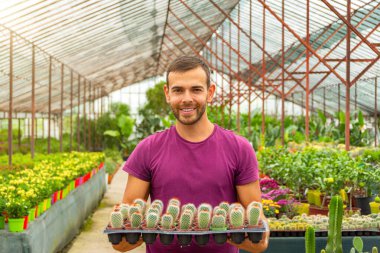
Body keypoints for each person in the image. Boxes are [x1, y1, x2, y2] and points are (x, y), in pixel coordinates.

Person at [113, 56, 269, 253]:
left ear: (210, 93)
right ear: (167, 94)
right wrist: (128, 226)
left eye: (196, 89)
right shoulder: (148, 149)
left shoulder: (239, 148)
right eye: (178, 90)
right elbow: (123, 240)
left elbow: (259, 239)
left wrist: (221, 228)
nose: (187, 98)